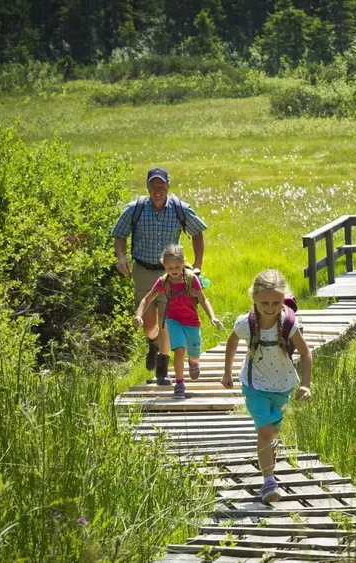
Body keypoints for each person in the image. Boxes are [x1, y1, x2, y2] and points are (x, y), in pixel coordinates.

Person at [221, 270, 312, 504]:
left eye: (276, 302)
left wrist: (305, 385)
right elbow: (231, 343)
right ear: (254, 298)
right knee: (265, 431)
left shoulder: (289, 324)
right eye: (264, 303)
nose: (270, 308)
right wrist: (227, 372)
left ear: (284, 300)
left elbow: (305, 352)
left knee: (270, 432)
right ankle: (269, 482)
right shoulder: (246, 323)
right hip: (254, 386)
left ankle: (267, 460)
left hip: (283, 387)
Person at [112, 167, 208, 374]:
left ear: (168, 186)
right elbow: (119, 235)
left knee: (166, 316)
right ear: (147, 187)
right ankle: (153, 343)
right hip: (143, 271)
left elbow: (198, 233)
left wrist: (198, 265)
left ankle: (163, 361)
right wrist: (121, 257)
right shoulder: (135, 209)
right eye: (153, 185)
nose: (157, 189)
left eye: (161, 185)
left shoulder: (179, 208)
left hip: (171, 273)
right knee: (149, 325)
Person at [135, 244, 223, 398]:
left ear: (183, 263)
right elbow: (147, 299)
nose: (174, 270)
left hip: (192, 322)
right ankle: (179, 384)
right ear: (164, 265)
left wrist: (212, 317)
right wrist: (138, 315)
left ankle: (194, 362)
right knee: (179, 350)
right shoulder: (163, 282)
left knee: (194, 353)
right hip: (173, 320)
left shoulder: (191, 279)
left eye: (177, 266)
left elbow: (203, 299)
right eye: (170, 268)